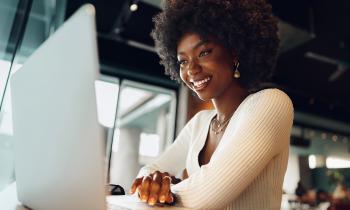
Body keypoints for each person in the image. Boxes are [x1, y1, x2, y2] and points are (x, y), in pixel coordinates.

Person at [129, 0, 294, 209]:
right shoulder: (199, 123)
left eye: (204, 52)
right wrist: (150, 182)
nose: (192, 69)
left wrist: (163, 189)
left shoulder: (271, 103)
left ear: (235, 52)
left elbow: (205, 195)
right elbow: (147, 171)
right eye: (183, 61)